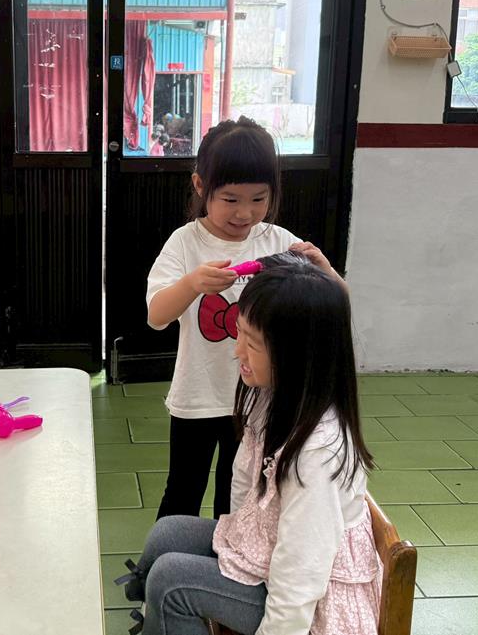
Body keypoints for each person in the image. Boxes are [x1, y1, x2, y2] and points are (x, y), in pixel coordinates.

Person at [120, 252, 379, 635]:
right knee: (167, 534)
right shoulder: (269, 393)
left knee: (172, 582)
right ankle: (159, 618)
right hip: (270, 551)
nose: (237, 350)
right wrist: (235, 545)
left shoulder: (317, 452)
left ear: (298, 355)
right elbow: (244, 479)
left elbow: (302, 573)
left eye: (252, 343)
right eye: (239, 332)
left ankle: (165, 610)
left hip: (310, 604)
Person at [145, 117, 344, 521]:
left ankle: (230, 555)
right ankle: (163, 555)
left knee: (239, 494)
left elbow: (335, 308)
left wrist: (327, 272)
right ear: (201, 186)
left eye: (258, 198)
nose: (245, 212)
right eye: (231, 199)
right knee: (183, 488)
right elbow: (156, 316)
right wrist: (192, 284)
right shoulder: (186, 242)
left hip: (260, 399)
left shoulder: (278, 241)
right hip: (197, 397)